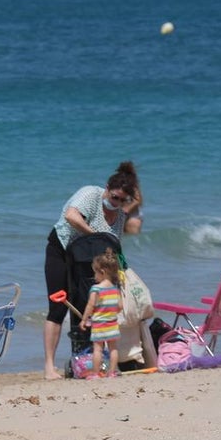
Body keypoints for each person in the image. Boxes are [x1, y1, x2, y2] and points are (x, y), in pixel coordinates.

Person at [43, 161, 142, 380]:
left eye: (122, 200)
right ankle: (49, 366)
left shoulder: (120, 217)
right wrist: (94, 234)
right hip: (61, 249)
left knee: (88, 310)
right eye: (114, 197)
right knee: (57, 308)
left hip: (87, 261)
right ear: (107, 188)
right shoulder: (90, 194)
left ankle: (85, 361)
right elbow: (71, 215)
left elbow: (112, 248)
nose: (116, 202)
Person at [80, 249, 122, 378]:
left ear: (102, 272)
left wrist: (84, 319)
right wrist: (110, 312)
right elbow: (120, 306)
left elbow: (90, 305)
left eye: (95, 273)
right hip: (112, 323)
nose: (94, 276)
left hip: (99, 324)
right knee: (113, 348)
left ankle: (95, 373)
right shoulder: (115, 288)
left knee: (97, 349)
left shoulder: (96, 289)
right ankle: (112, 372)